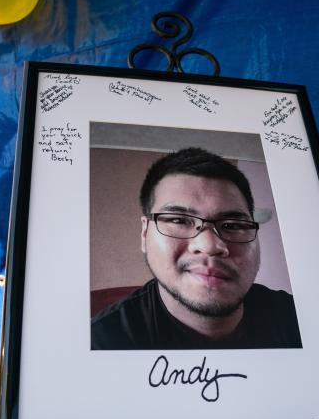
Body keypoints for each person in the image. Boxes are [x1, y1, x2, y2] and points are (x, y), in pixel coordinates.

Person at [92, 147, 302, 350]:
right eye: (179, 220)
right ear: (145, 234)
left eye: (233, 225)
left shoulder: (303, 322)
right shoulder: (99, 344)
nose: (210, 246)